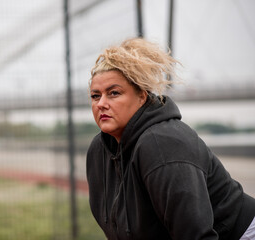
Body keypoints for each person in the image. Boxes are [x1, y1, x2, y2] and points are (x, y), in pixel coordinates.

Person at [86, 38, 255, 240]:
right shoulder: (100, 150)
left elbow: (195, 235)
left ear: (142, 96)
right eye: (96, 96)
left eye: (114, 93)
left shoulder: (162, 145)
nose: (101, 104)